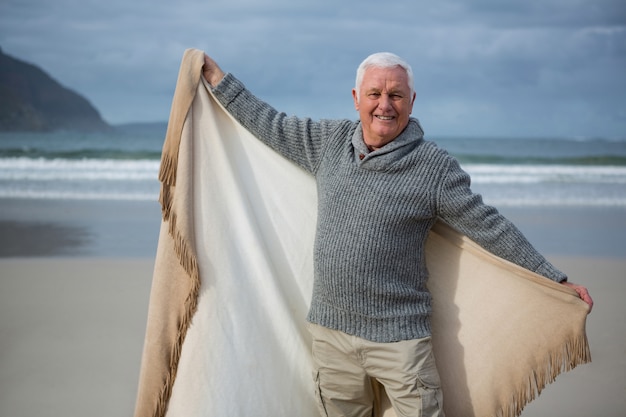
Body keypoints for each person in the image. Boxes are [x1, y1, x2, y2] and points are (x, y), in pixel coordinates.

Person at [201, 52, 593, 417]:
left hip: (400, 342)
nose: (384, 105)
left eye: (396, 95)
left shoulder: (434, 168)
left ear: (412, 100)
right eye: (375, 93)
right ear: (357, 98)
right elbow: (271, 124)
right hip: (331, 334)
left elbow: (488, 225)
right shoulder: (328, 142)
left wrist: (552, 277)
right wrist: (218, 81)